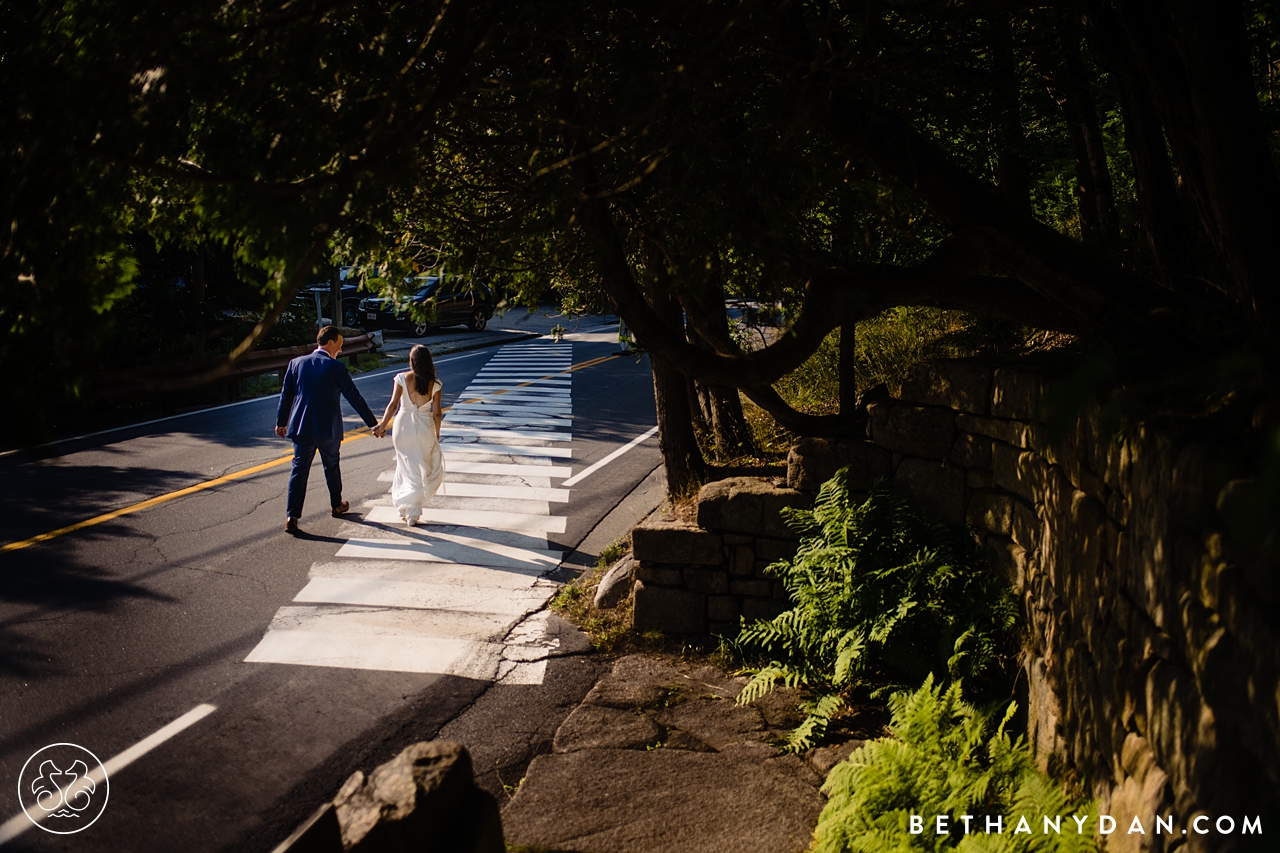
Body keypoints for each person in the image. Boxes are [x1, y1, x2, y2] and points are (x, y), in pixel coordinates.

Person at [276, 325, 381, 533]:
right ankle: (336, 505)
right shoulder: (336, 368)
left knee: (299, 470)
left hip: (301, 427)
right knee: (331, 467)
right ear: (330, 342)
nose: (340, 351)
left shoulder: (296, 363)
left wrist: (281, 422)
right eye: (339, 346)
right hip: (327, 428)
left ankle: (292, 516)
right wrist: (373, 424)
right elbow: (354, 397)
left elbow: (286, 395)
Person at [371, 344, 444, 525]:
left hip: (403, 426)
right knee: (423, 466)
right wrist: (437, 432)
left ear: (412, 361)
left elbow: (393, 405)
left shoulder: (402, 378)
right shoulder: (435, 384)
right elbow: (437, 412)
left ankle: (406, 507)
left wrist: (382, 426)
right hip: (425, 427)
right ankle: (413, 509)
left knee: (405, 465)